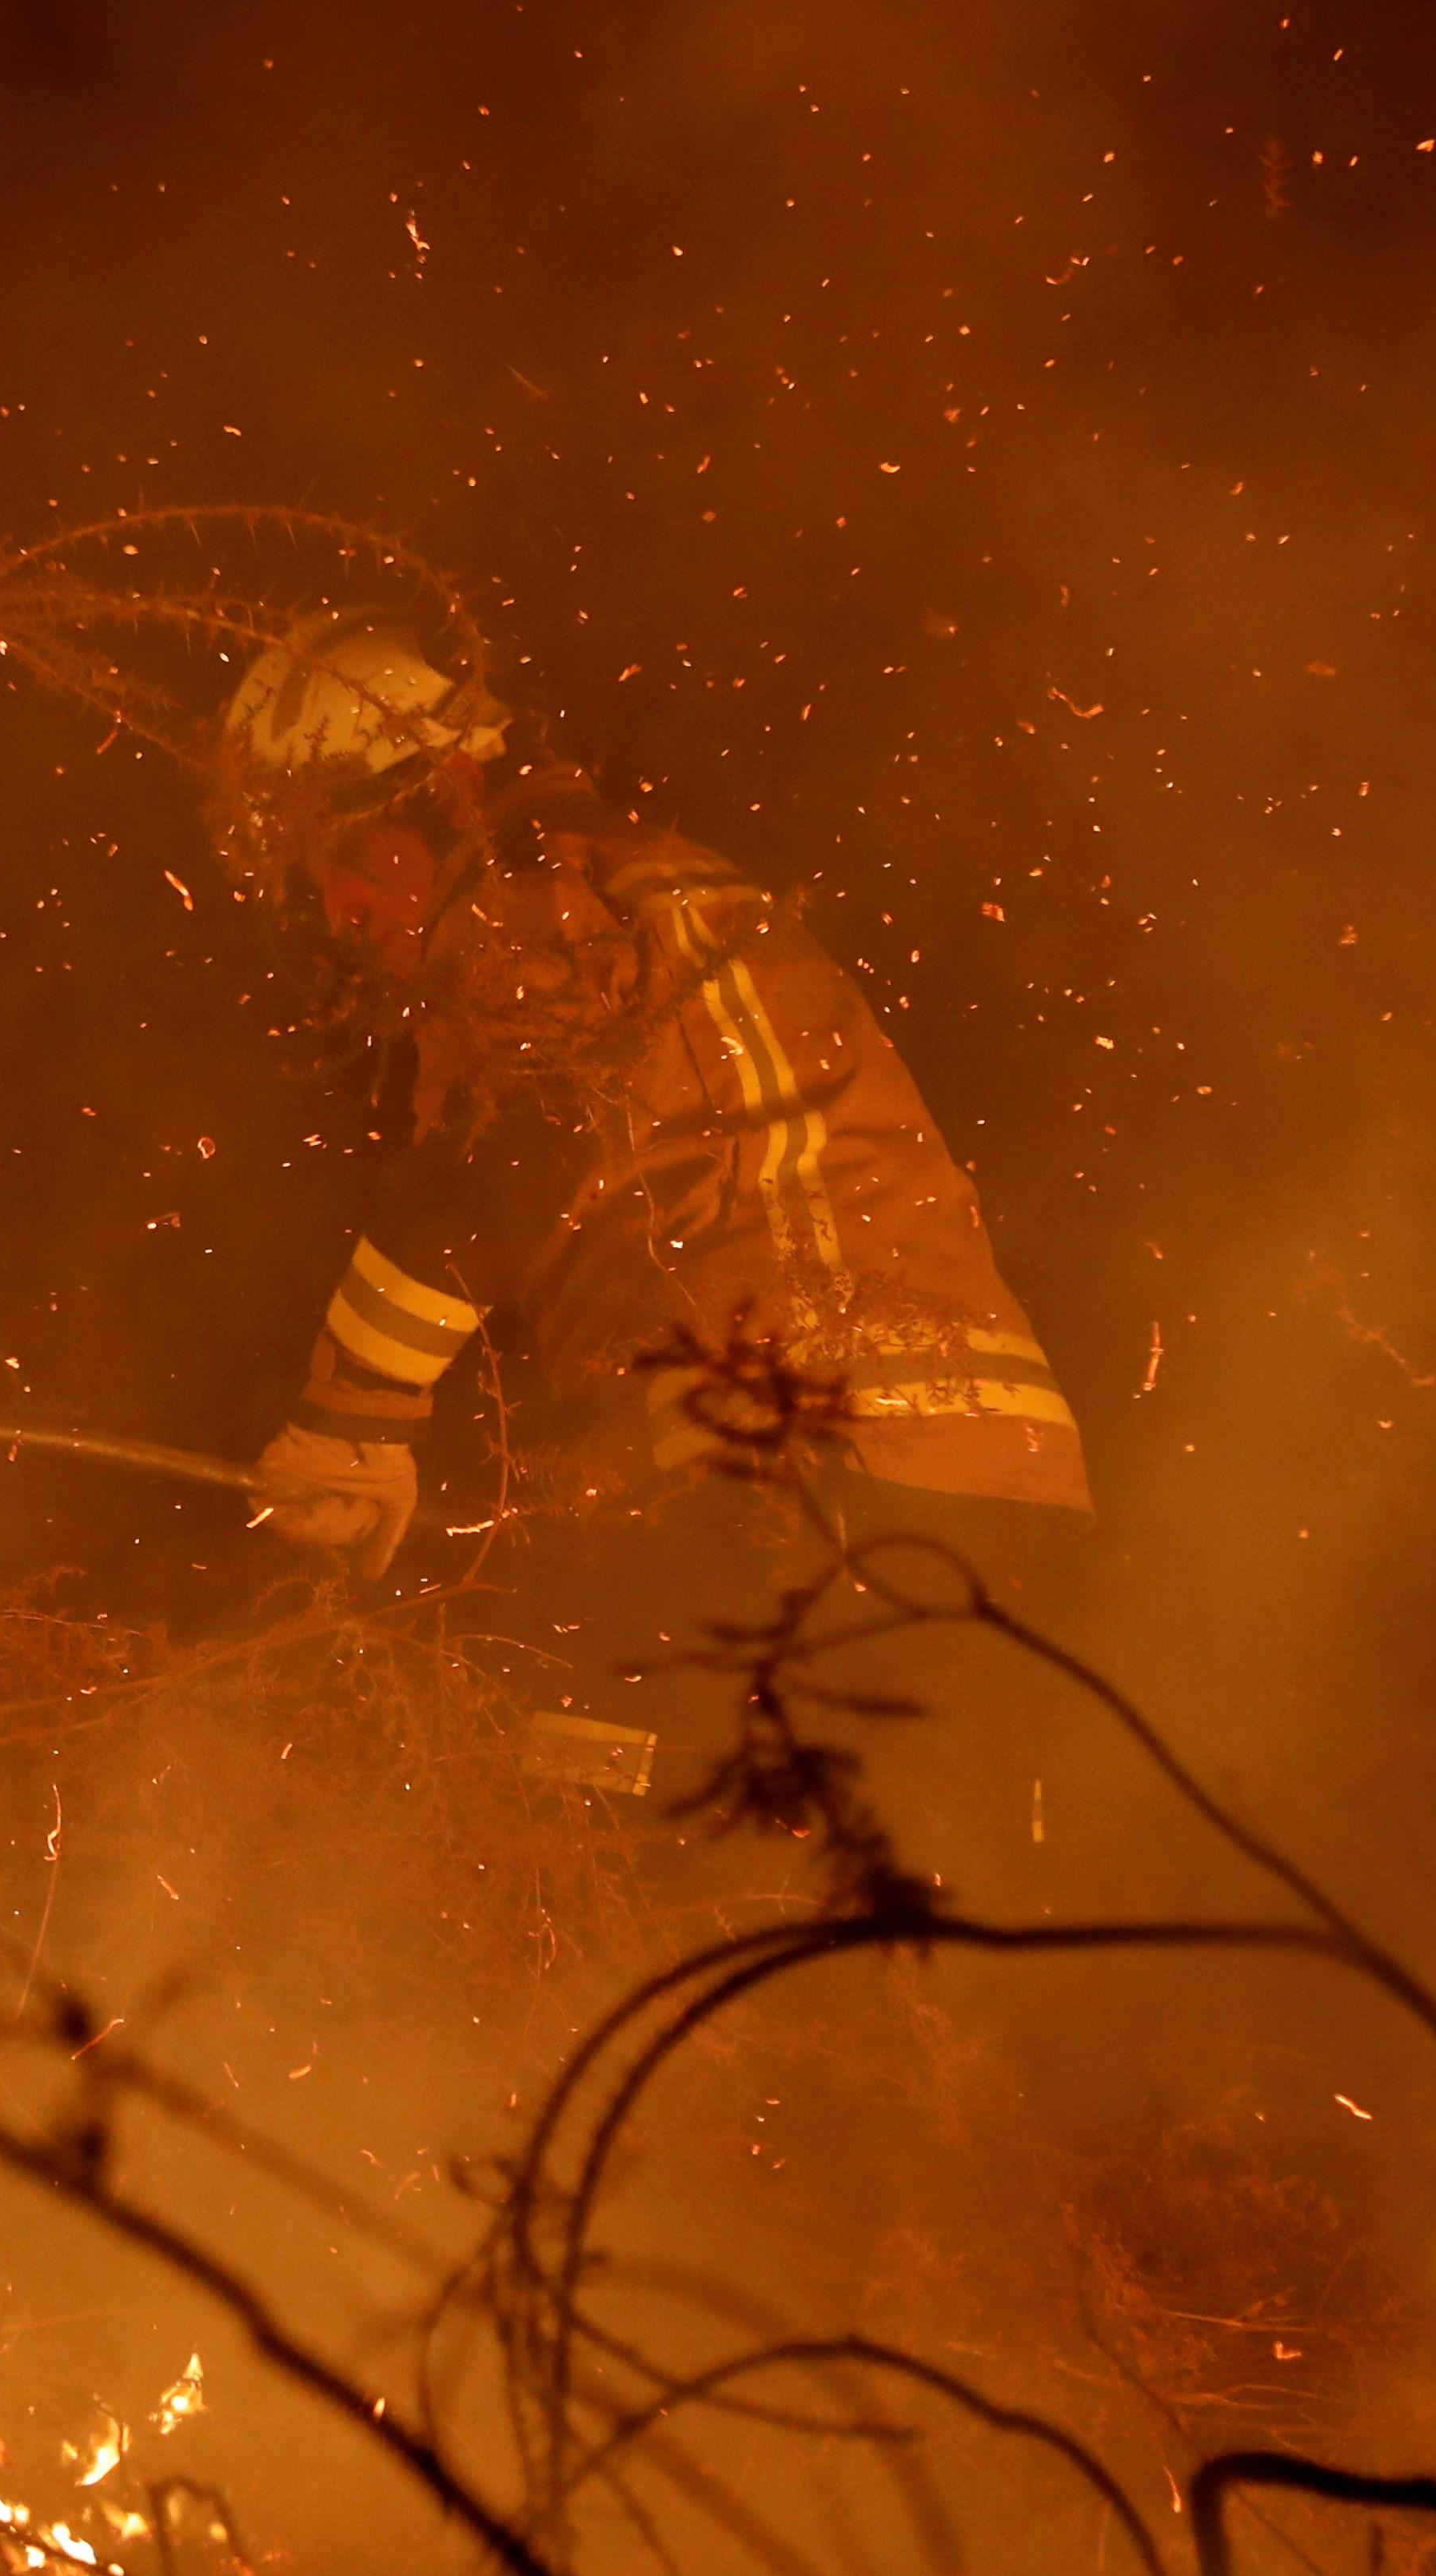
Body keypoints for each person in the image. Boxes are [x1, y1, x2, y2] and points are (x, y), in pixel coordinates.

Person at [216, 616, 1089, 1792]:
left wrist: (355, 1413)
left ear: (454, 786)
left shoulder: (525, 898)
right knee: (882, 1899)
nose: (334, 906)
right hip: (987, 1483)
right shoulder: (632, 890)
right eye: (304, 878)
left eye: (348, 850)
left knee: (599, 1835)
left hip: (798, 1456)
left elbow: (506, 1155)